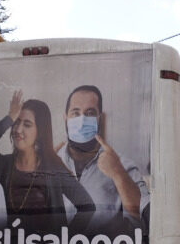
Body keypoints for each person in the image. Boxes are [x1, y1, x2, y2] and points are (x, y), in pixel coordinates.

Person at [0, 95, 95, 232]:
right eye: (16, 122)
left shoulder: (54, 167)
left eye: (27, 125)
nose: (18, 130)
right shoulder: (3, 165)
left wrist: (66, 239)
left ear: (40, 131)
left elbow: (87, 206)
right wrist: (8, 119)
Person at [56, 85, 149, 232]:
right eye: (75, 113)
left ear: (101, 118)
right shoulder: (48, 163)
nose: (82, 120)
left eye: (90, 113)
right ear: (65, 118)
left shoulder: (122, 166)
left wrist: (118, 174)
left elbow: (146, 218)